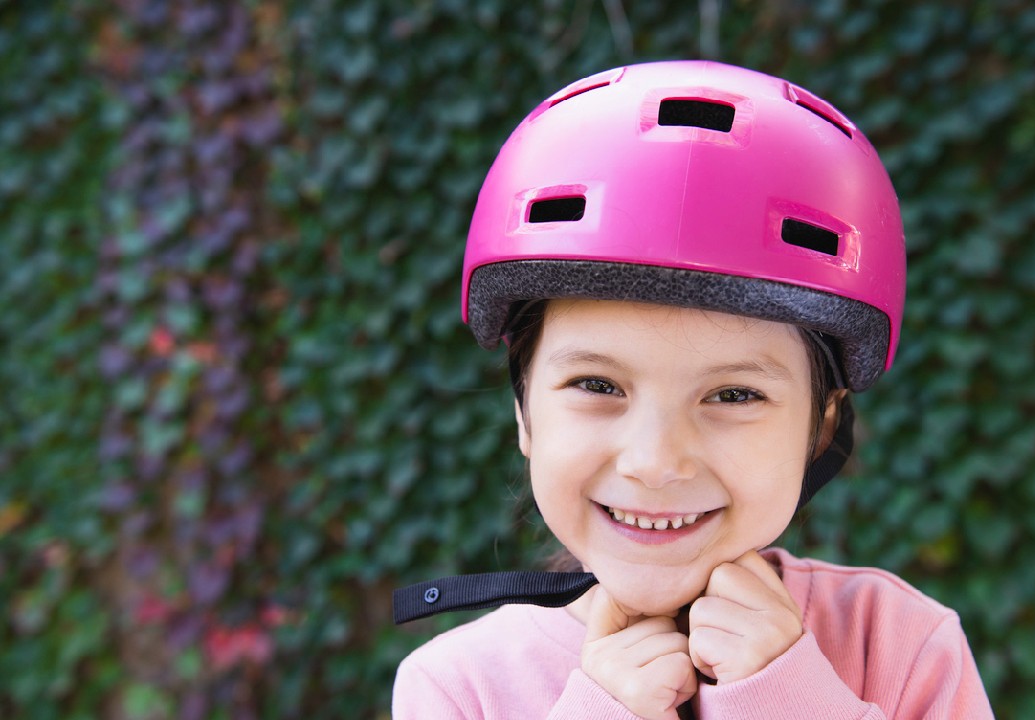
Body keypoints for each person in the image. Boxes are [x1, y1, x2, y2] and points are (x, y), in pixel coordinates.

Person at [391, 60, 994, 719]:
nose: (655, 462)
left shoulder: (901, 646)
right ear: (524, 413)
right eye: (597, 384)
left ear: (822, 428)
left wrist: (790, 702)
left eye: (734, 395)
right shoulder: (459, 688)